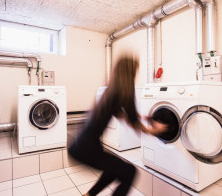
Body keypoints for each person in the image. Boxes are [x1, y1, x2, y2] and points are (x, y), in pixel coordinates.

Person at [68, 55, 167, 196]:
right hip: (87, 148)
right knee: (130, 171)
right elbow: (133, 122)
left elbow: (122, 114)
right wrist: (154, 131)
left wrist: (143, 116)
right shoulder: (125, 91)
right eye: (136, 70)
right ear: (130, 71)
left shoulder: (112, 90)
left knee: (114, 169)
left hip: (80, 144)